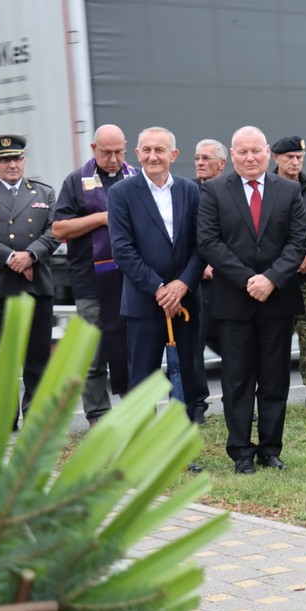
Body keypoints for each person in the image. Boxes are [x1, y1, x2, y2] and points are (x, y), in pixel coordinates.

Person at [197, 126, 306, 474]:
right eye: (242, 152)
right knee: (237, 381)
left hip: (277, 300)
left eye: (256, 151)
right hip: (234, 301)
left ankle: (271, 449)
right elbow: (209, 241)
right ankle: (241, 452)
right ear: (232, 155)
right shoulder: (214, 191)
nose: (249, 158)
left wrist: (271, 278)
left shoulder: (288, 190)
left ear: (267, 152)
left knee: (275, 379)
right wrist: (248, 279)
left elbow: (298, 241)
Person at [107, 128, 204, 472]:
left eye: (160, 150)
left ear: (173, 155)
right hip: (143, 303)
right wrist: (160, 288)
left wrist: (182, 285)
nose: (152, 156)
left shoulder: (190, 191)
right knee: (143, 383)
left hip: (184, 303)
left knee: (186, 378)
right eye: (146, 150)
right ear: (137, 154)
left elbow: (201, 244)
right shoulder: (121, 193)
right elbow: (122, 249)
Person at [52, 124, 135, 426]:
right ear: (93, 149)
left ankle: (135, 411)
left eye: (118, 152)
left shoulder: (136, 178)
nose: (113, 159)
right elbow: (59, 228)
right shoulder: (76, 181)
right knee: (93, 353)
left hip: (133, 281)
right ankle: (98, 415)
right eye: (106, 153)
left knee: (134, 351)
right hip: (92, 281)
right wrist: (101, 218)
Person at [0, 134, 58, 426]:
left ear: (24, 160)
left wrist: (31, 256)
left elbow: (55, 231)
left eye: (16, 158)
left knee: (37, 357)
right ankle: (5, 417)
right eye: (4, 160)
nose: (12, 164)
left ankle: (36, 415)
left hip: (36, 285)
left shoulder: (43, 193)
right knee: (0, 359)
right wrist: (11, 258)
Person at [271, 136, 306, 412]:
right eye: (289, 157)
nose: (295, 162)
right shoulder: (267, 186)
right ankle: (273, 390)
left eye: (299, 158)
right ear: (276, 158)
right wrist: (287, 261)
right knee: (274, 336)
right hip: (276, 277)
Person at [189, 138, 229, 423]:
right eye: (197, 158)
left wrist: (220, 263)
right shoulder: (188, 192)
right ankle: (197, 405)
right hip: (198, 282)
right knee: (194, 345)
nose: (200, 163)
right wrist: (199, 265)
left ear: (222, 164)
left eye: (206, 158)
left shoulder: (230, 191)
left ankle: (236, 401)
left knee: (232, 345)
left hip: (227, 281)